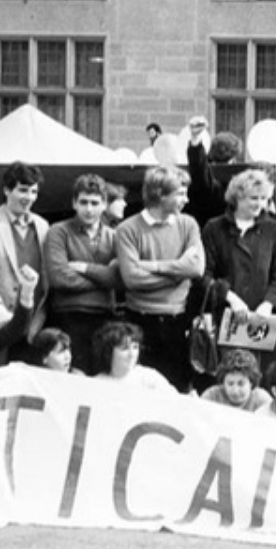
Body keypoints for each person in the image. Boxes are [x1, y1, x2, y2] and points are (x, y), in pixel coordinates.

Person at [115, 165, 204, 391]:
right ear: (160, 195)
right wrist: (177, 275)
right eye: (180, 194)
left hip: (178, 322)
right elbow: (132, 279)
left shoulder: (188, 224)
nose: (186, 199)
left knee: (178, 390)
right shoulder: (127, 229)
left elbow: (196, 269)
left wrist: (153, 266)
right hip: (140, 322)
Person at [199, 168, 276, 367]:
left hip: (263, 322)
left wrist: (269, 304)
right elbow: (204, 275)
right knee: (231, 377)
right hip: (228, 322)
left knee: (266, 378)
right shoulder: (214, 228)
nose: (260, 204)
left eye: (264, 198)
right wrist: (229, 297)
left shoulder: (272, 229)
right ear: (237, 198)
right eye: (253, 198)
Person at [0, 161, 48, 365]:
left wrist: (37, 320)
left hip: (31, 328)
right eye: (22, 190)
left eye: (33, 191)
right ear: (6, 190)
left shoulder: (42, 225)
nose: (28, 197)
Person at [45, 174, 120, 375]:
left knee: (102, 375)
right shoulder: (58, 232)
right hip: (69, 315)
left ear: (104, 204)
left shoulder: (114, 237)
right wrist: (104, 279)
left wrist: (86, 269)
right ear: (74, 203)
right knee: (75, 375)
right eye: (83, 202)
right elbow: (59, 278)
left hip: (105, 316)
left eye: (95, 203)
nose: (89, 209)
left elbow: (120, 278)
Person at [86, 320, 175, 393]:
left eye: (135, 347)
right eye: (125, 348)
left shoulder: (150, 378)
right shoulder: (97, 384)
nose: (132, 354)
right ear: (108, 352)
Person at [201, 349, 272, 413]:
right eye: (230, 384)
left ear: (251, 382)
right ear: (223, 382)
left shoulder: (262, 400)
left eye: (241, 384)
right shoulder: (211, 396)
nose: (235, 390)